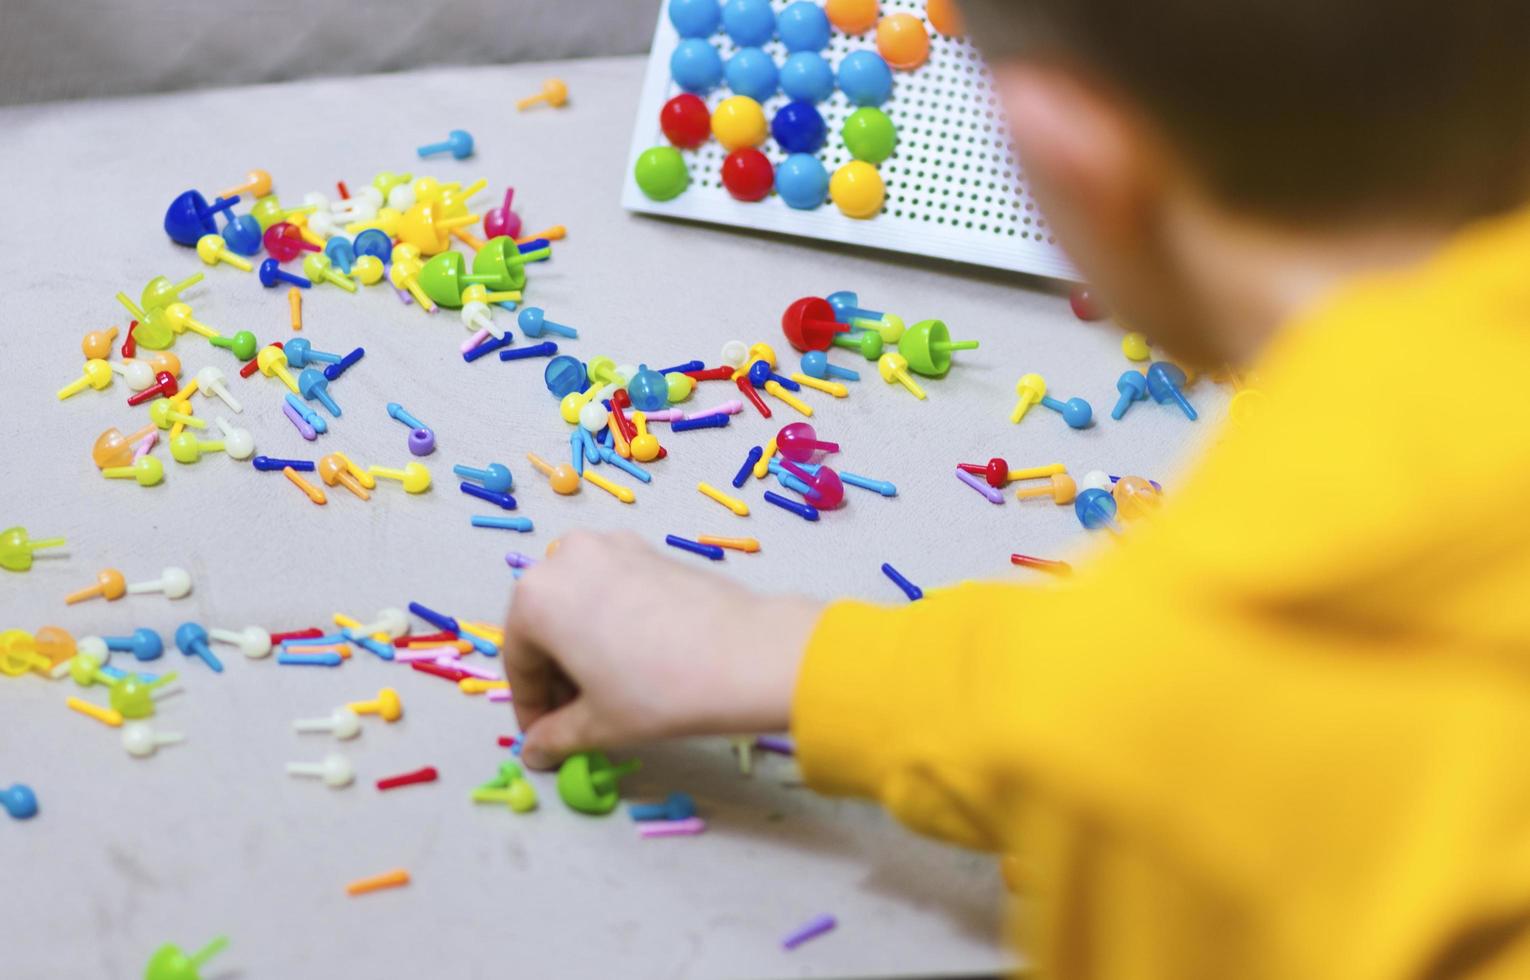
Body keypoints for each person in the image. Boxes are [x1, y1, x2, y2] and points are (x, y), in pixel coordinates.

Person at [504, 2, 1530, 976]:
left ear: (1069, 157)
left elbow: (1182, 714)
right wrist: (801, 658)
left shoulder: (1181, 726)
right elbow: (1152, 693)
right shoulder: (1194, 662)